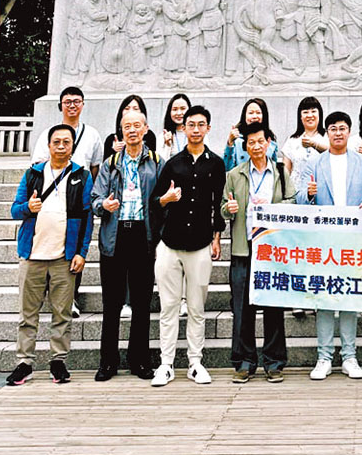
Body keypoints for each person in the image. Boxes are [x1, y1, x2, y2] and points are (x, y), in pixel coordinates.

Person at [6, 124, 92, 386]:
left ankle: (58, 361)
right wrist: (28, 207)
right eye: (57, 142)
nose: (61, 146)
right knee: (27, 313)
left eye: (67, 142)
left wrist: (81, 252)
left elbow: (86, 215)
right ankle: (24, 362)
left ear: (72, 146)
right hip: (32, 254)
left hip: (64, 256)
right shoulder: (33, 174)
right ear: (49, 145)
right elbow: (14, 210)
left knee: (62, 312)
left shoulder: (81, 175)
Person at [150, 105, 225, 388]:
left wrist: (217, 239)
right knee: (169, 307)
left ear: (208, 128)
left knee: (196, 307)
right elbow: (154, 201)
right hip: (170, 244)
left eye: (201, 124)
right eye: (191, 124)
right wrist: (167, 199)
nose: (195, 129)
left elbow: (218, 205)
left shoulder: (216, 164)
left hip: (201, 244)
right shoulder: (172, 163)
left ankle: (195, 362)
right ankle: (166, 364)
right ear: (183, 128)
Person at [298, 111, 362, 379]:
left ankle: (350, 357)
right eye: (333, 129)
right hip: (324, 241)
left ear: (349, 131)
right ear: (326, 133)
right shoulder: (315, 163)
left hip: (353, 240)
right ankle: (324, 357)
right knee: (325, 297)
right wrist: (307, 195)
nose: (338, 133)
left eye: (343, 128)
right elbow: (300, 199)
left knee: (350, 298)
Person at [91, 107, 162, 381]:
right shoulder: (110, 163)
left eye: (137, 125)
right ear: (121, 131)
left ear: (145, 129)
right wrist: (104, 205)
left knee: (142, 303)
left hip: (142, 237)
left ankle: (139, 361)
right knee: (112, 304)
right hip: (115, 235)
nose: (132, 130)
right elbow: (95, 200)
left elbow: (160, 199)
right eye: (127, 126)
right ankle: (107, 362)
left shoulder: (156, 162)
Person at [223, 122, 297, 383]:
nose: (256, 146)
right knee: (243, 310)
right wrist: (228, 208)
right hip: (244, 250)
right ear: (246, 146)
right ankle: (244, 362)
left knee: (273, 308)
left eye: (260, 141)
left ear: (268, 143)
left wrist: (273, 206)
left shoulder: (279, 171)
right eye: (251, 142)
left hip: (272, 250)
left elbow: (293, 202)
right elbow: (223, 207)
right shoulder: (235, 174)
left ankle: (274, 362)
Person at [31, 85, 102, 319]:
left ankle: (70, 297)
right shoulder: (47, 134)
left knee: (75, 245)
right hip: (52, 197)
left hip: (77, 194)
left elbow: (95, 167)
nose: (72, 105)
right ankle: (46, 293)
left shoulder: (91, 134)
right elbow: (37, 166)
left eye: (76, 101)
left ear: (83, 104)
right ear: (60, 105)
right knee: (50, 245)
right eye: (67, 101)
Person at [223, 98, 285, 172]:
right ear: (244, 115)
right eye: (251, 113)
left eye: (258, 113)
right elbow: (226, 167)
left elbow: (274, 170)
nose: (254, 116)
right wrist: (230, 143)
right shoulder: (237, 139)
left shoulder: (270, 140)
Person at [102, 93, 158, 160]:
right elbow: (105, 167)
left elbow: (152, 161)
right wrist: (114, 151)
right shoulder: (111, 139)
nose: (131, 111)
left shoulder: (149, 136)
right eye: (127, 108)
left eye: (135, 108)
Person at [282, 96, 327, 173]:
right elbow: (286, 171)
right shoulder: (292, 140)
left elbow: (334, 153)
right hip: (296, 184)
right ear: (300, 116)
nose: (309, 115)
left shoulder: (327, 136)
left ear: (319, 114)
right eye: (305, 112)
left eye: (313, 111)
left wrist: (314, 144)